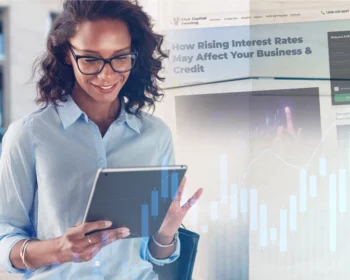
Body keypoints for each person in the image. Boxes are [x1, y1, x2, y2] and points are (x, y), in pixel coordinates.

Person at [0, 0, 203, 279]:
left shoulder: (155, 135)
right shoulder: (29, 134)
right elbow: (4, 240)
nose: (107, 75)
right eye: (91, 59)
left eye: (120, 57)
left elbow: (157, 258)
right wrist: (57, 249)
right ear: (67, 55)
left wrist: (166, 233)